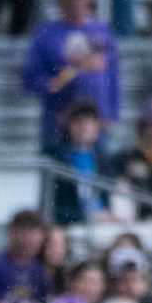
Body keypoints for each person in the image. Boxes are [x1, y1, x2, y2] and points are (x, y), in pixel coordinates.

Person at [21, 0, 119, 154]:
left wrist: (110, 114)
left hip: (96, 125)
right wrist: (55, 83)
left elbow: (112, 77)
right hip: (59, 124)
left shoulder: (102, 32)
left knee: (101, 177)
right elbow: (30, 79)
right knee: (56, 176)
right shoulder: (46, 33)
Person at [46, 96, 108, 226]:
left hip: (105, 225)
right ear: (68, 126)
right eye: (78, 122)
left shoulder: (104, 161)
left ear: (97, 127)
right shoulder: (56, 159)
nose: (83, 127)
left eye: (89, 122)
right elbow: (55, 208)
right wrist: (86, 217)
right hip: (71, 227)